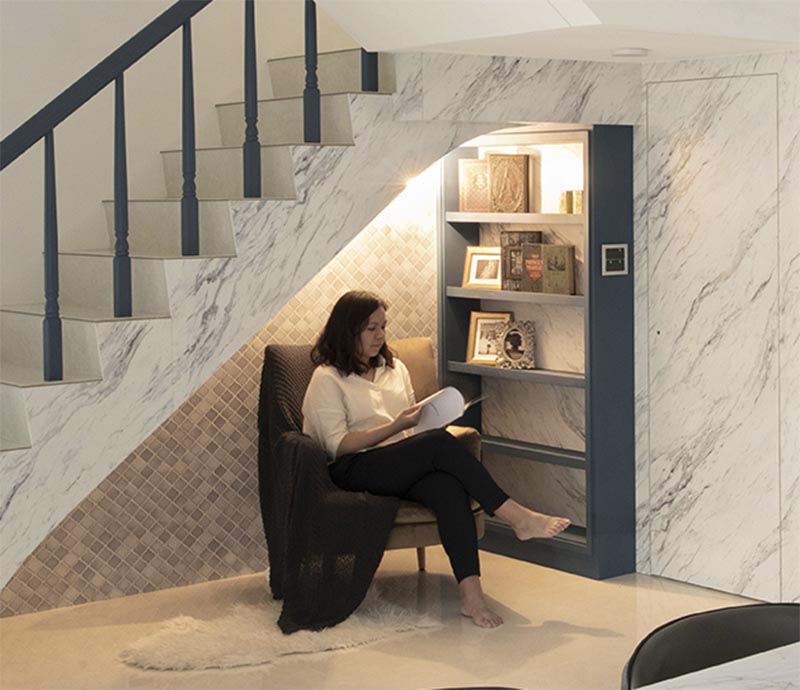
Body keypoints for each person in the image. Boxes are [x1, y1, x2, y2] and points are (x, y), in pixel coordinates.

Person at [301, 290, 571, 628]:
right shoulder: (327, 378)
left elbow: (412, 427)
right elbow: (338, 445)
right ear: (348, 330)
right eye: (371, 328)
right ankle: (517, 516)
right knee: (439, 445)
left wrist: (420, 422)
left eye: (383, 326)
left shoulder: (393, 368)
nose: (381, 335)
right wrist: (397, 426)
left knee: (446, 487)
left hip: (398, 460)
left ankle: (471, 597)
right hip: (353, 467)